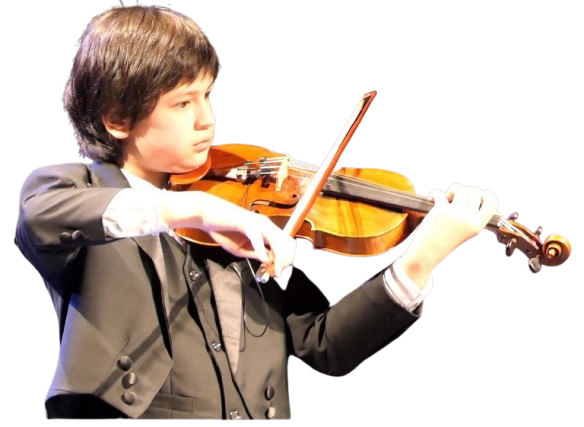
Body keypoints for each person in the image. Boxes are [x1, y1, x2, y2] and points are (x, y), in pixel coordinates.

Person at [14, 2, 499, 420]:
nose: (207, 120)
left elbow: (325, 345)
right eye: (182, 103)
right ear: (118, 119)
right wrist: (195, 210)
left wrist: (419, 261)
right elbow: (44, 217)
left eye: (207, 95)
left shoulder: (242, 209)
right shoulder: (72, 189)